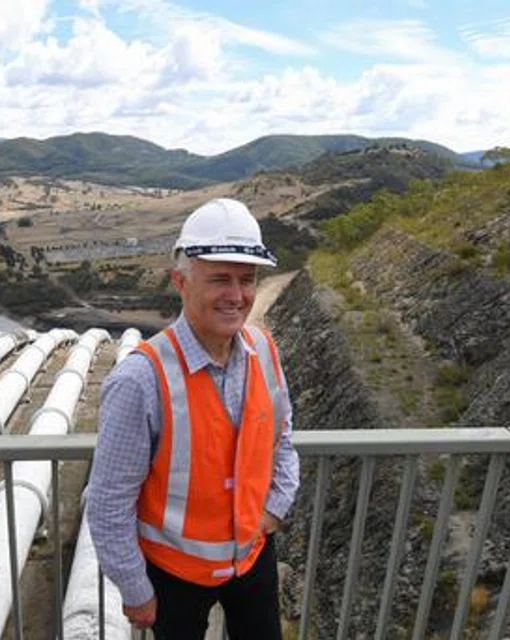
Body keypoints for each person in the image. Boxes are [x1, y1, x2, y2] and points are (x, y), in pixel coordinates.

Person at [86, 198, 300, 639]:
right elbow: (108, 502)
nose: (237, 295)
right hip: (173, 576)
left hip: (252, 555)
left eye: (247, 279)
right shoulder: (141, 380)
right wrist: (134, 587)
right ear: (180, 282)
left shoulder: (264, 351)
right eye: (220, 279)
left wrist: (273, 511)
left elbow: (282, 439)